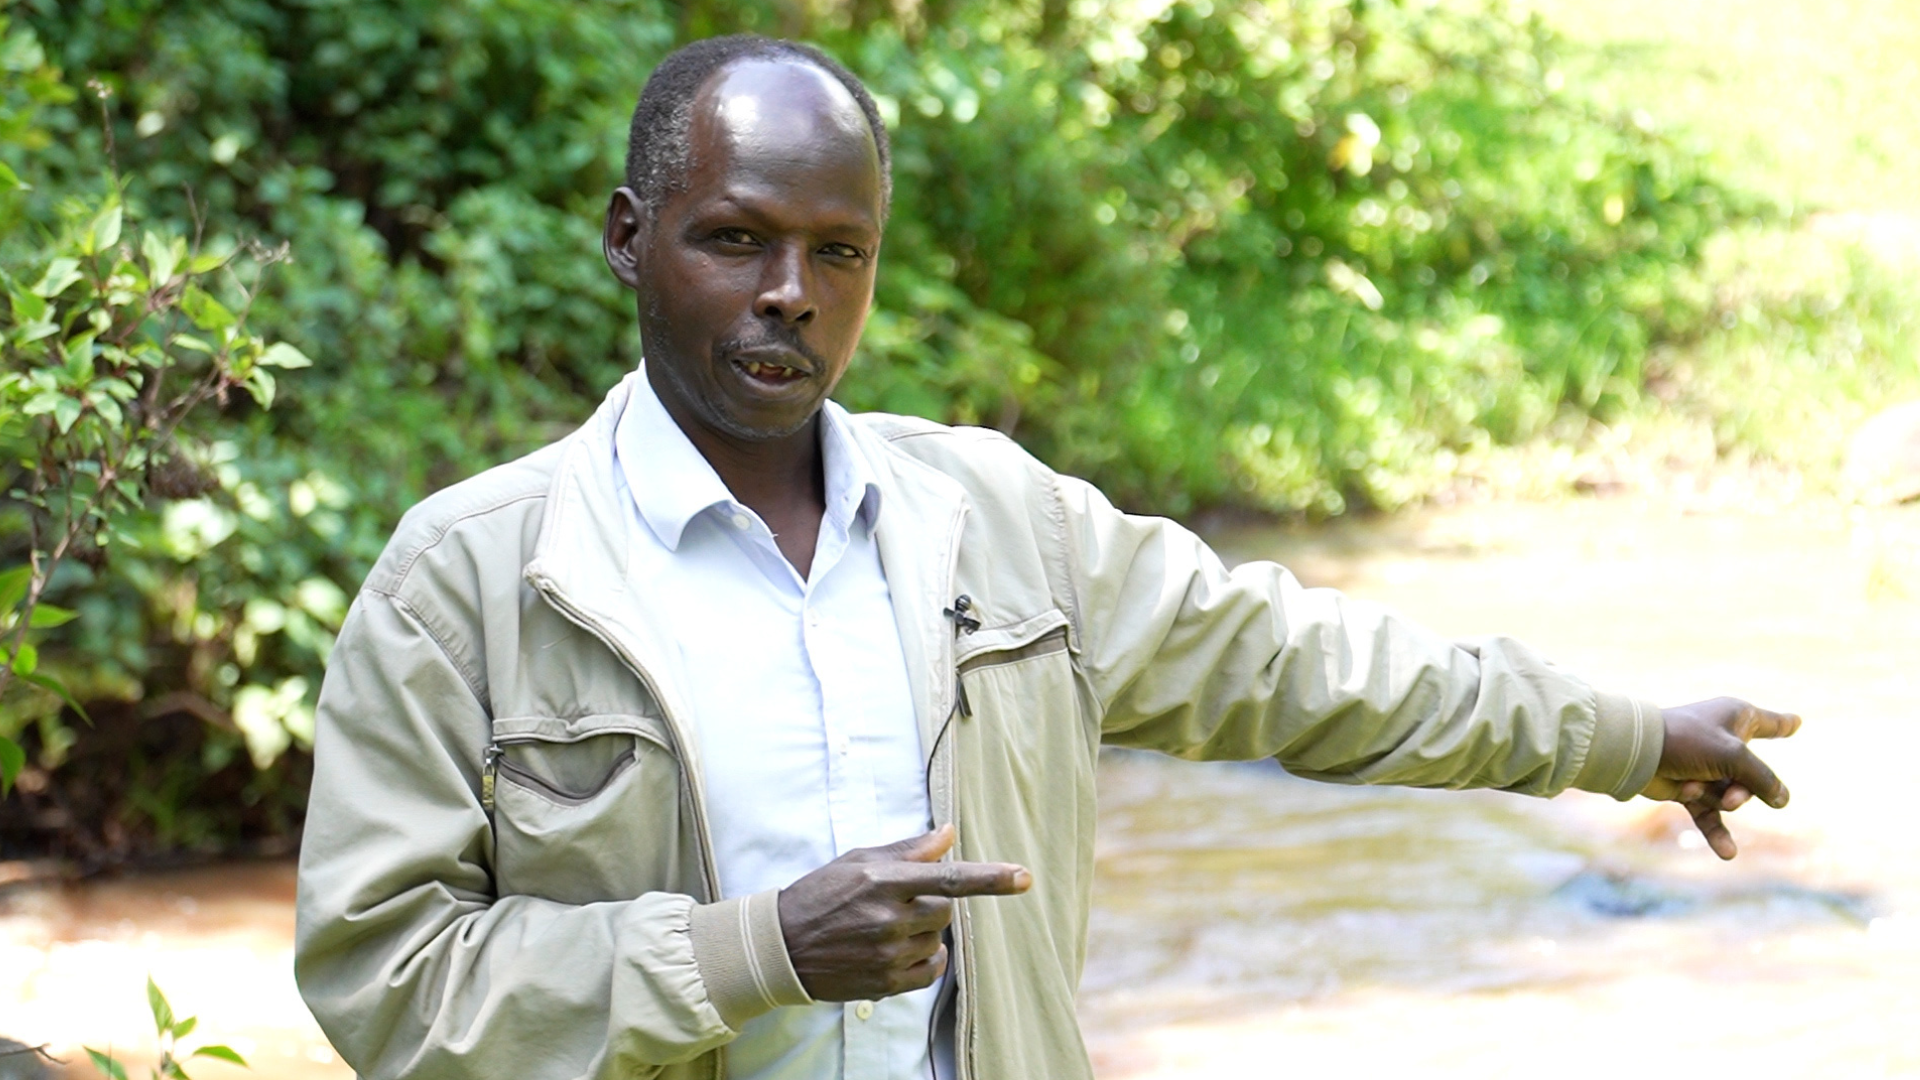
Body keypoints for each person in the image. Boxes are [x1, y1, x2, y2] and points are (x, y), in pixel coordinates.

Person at [293, 33, 1800, 1080]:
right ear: (630, 239)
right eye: (736, 241)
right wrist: (755, 952)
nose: (792, 296)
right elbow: (389, 991)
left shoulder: (997, 523)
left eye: (840, 251)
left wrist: (1621, 736)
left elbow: (1305, 668)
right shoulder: (474, 581)